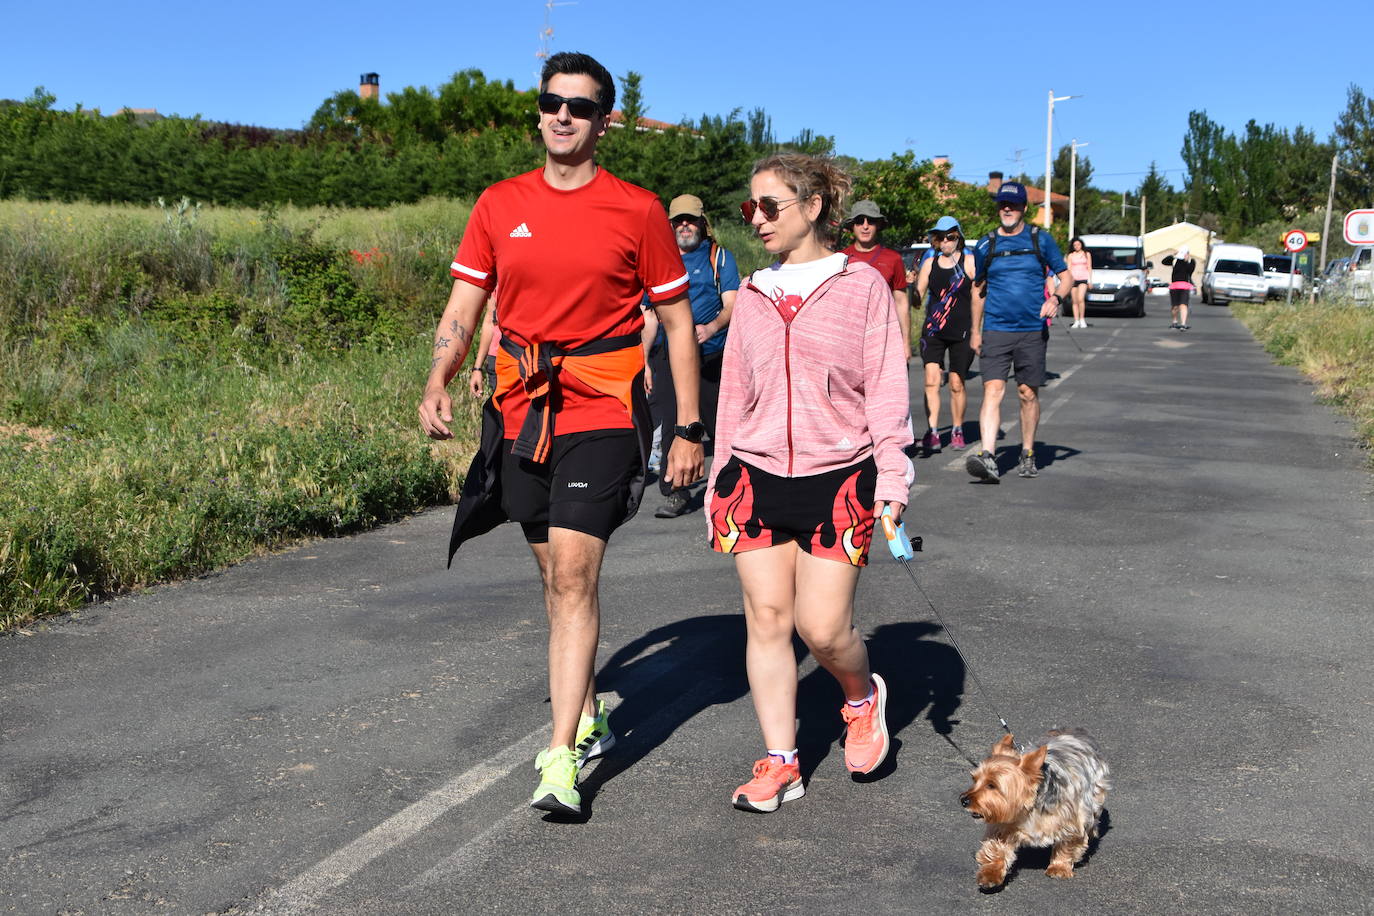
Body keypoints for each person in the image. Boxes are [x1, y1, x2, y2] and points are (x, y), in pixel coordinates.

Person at [417, 52, 705, 817]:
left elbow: (677, 322)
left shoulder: (637, 209)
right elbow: (464, 304)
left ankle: (560, 755)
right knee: (551, 578)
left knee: (575, 574)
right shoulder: (498, 203)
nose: (563, 115)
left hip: (605, 407)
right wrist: (437, 378)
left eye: (579, 105)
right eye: (551, 102)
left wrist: (688, 426)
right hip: (522, 411)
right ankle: (586, 709)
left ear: (604, 120)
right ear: (539, 111)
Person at [707, 153, 914, 812]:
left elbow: (886, 388)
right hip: (754, 475)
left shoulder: (862, 288)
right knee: (767, 623)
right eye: (751, 208)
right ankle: (781, 762)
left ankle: (861, 698)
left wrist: (893, 478)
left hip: (840, 478)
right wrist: (719, 478)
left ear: (815, 206)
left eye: (771, 206)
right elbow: (733, 393)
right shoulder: (755, 295)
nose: (757, 219)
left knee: (822, 629)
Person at [640, 194, 740, 518]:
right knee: (672, 426)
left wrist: (711, 327)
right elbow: (649, 315)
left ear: (702, 222)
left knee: (722, 426)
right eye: (678, 220)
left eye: (690, 220)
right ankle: (676, 492)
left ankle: (737, 487)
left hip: (712, 357)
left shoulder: (718, 257)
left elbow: (732, 302)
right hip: (670, 359)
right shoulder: (660, 260)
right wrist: (644, 362)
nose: (684, 225)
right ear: (670, 226)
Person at [965, 181, 1070, 482]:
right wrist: (975, 330)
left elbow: (1067, 277)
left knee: (1027, 393)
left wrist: (1055, 298)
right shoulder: (986, 245)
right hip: (996, 329)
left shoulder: (1041, 239)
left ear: (1024, 208)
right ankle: (988, 457)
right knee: (992, 390)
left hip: (1031, 330)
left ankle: (1027, 452)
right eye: (1002, 204)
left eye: (1013, 205)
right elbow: (978, 290)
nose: (1007, 209)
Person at [914, 216, 980, 453]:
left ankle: (957, 429)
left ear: (958, 237)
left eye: (950, 237)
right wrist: (910, 287)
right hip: (933, 331)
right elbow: (918, 297)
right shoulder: (929, 263)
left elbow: (979, 294)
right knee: (931, 380)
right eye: (940, 237)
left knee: (956, 383)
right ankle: (932, 432)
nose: (945, 242)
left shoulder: (969, 261)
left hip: (962, 330)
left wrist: (977, 330)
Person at [841, 200, 911, 357]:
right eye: (860, 221)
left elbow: (901, 302)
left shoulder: (893, 259)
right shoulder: (840, 259)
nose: (865, 226)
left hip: (884, 339)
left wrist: (905, 343)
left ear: (878, 225)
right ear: (852, 226)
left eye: (871, 221)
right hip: (848, 341)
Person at [1162, 246, 1195, 331]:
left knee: (1183, 305)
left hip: (1185, 285)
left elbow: (1190, 270)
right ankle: (1174, 321)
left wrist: (1187, 260)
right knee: (1175, 306)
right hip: (1175, 285)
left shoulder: (1191, 261)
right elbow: (1164, 262)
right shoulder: (1175, 260)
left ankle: (1183, 323)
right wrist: (1174, 255)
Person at [1066, 237, 1092, 328]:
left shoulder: (1086, 254)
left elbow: (1089, 267)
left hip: (1083, 278)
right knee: (1074, 300)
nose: (1077, 246)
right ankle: (1076, 320)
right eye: (1075, 245)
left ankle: (1082, 319)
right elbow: (1069, 268)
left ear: (1081, 245)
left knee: (1081, 298)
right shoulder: (1071, 256)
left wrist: (1090, 280)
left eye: (1078, 245)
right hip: (1074, 279)